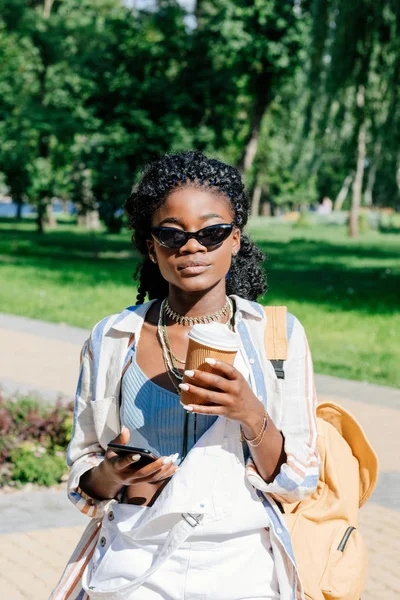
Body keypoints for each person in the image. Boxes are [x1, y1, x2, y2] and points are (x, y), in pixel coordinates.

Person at [63, 151, 319, 600]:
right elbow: (84, 478)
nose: (192, 247)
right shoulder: (113, 337)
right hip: (131, 566)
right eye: (171, 234)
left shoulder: (277, 336)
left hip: (242, 570)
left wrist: (251, 414)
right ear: (151, 245)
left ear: (235, 240)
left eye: (212, 232)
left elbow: (299, 481)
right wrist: (114, 473)